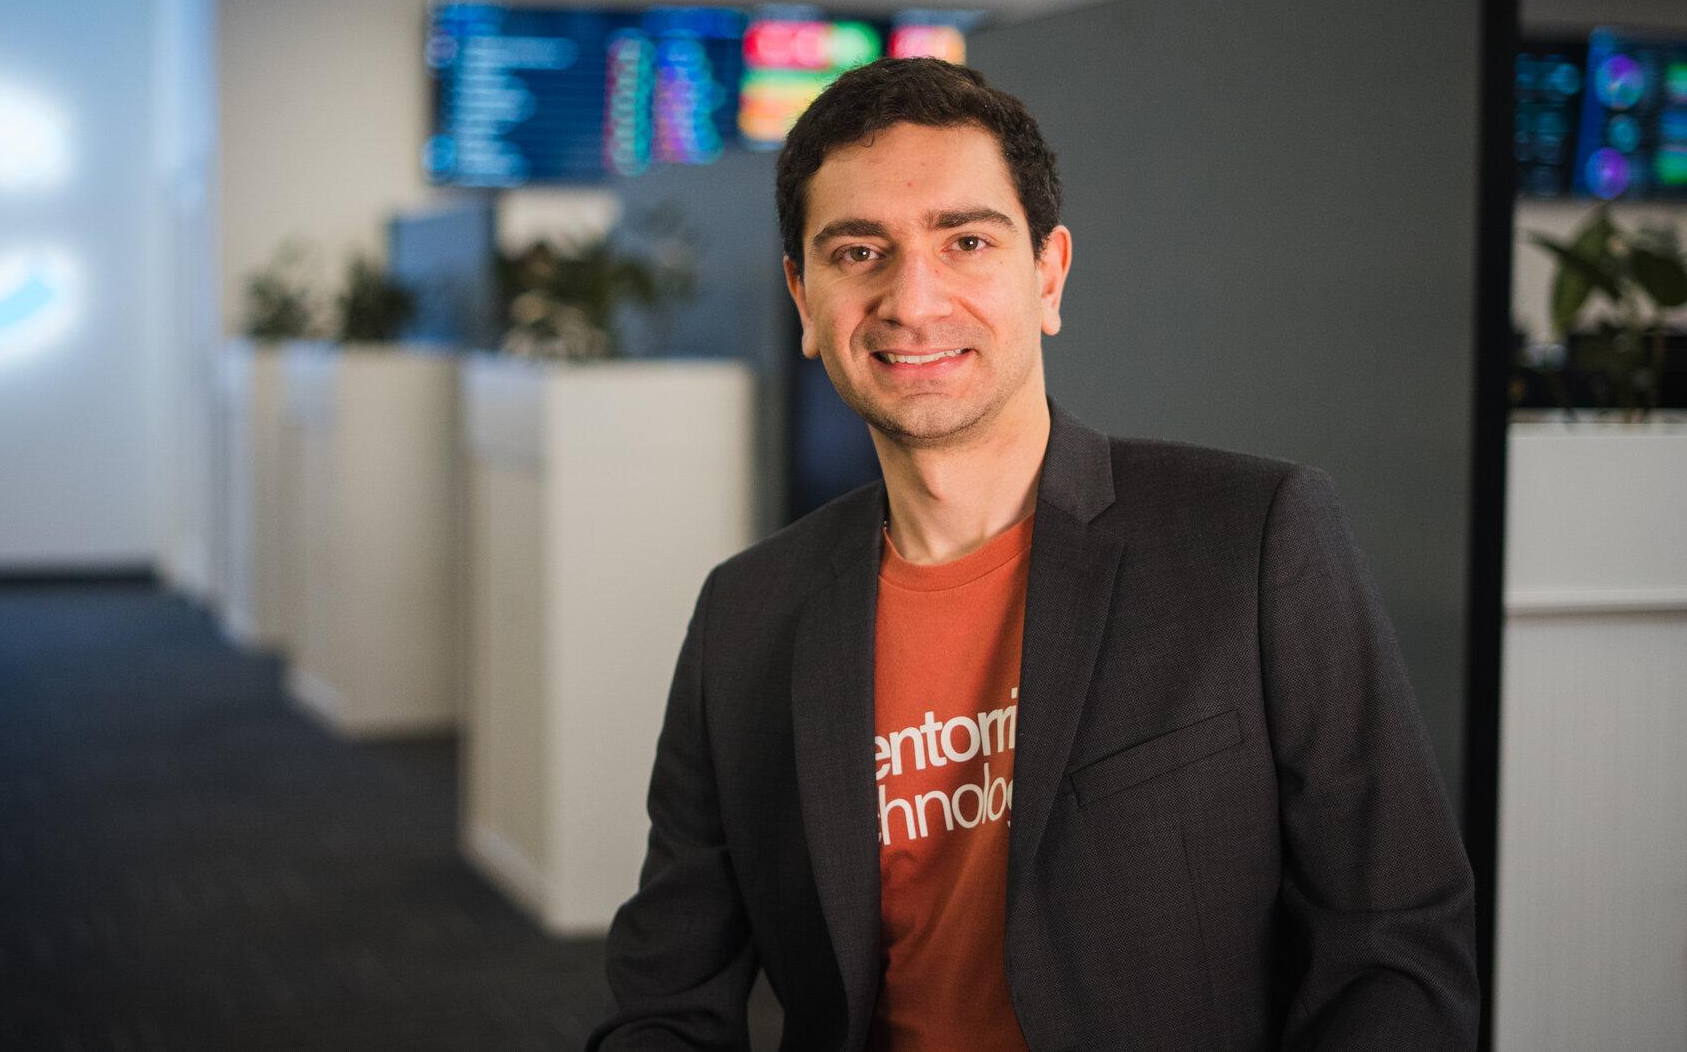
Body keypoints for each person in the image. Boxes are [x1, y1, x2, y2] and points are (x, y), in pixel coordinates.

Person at [586, 56, 1480, 1051]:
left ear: (1048, 274)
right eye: (857, 252)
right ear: (804, 297)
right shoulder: (746, 617)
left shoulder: (1253, 537)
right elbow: (667, 1000)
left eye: (965, 241)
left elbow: (1395, 944)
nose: (912, 300)